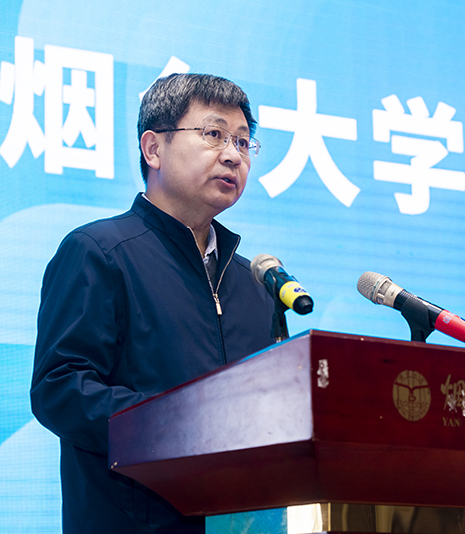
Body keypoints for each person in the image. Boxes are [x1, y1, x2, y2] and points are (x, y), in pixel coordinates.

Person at [30, 73, 276, 533]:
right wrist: (180, 422)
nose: (233, 155)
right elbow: (60, 389)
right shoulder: (99, 252)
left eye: (243, 142)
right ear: (153, 148)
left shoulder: (255, 283)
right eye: (214, 133)